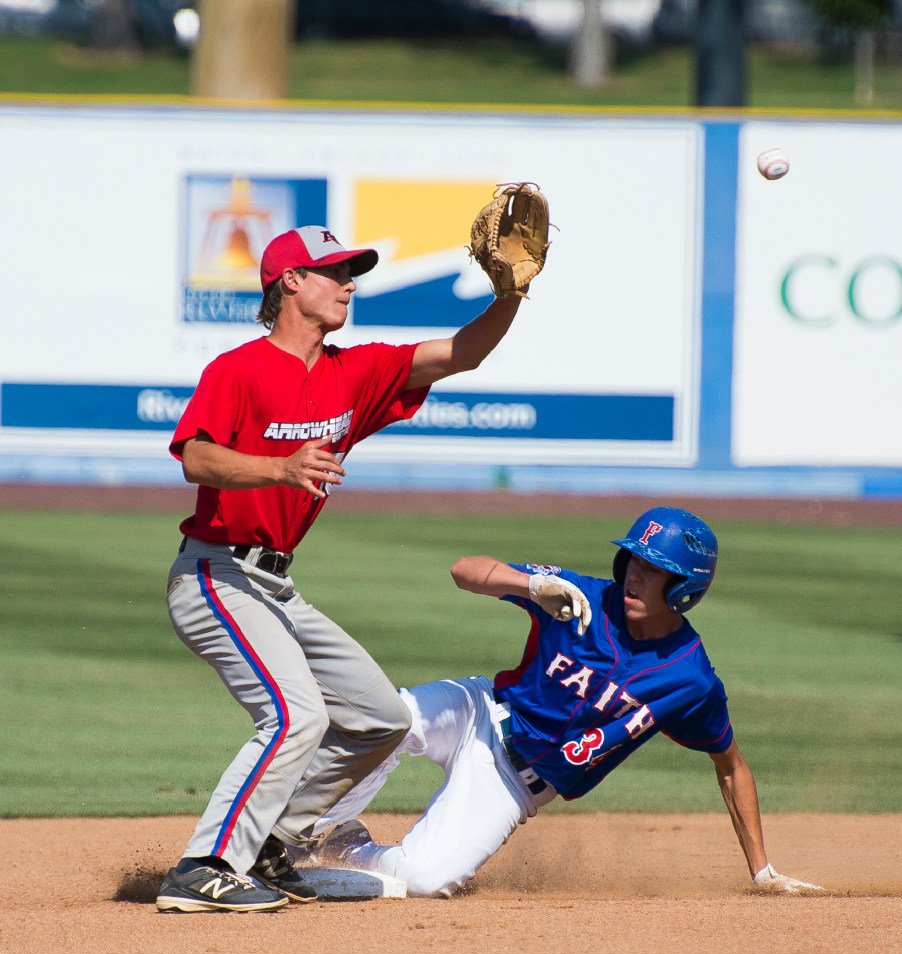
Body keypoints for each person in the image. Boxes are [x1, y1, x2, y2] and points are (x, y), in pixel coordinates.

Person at [156, 224, 529, 912]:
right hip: (215, 577)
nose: (349, 283)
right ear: (290, 282)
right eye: (335, 272)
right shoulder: (238, 370)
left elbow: (461, 353)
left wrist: (512, 294)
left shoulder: (351, 372)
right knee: (294, 714)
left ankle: (271, 841)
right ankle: (203, 867)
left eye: (352, 272)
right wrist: (279, 466)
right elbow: (195, 458)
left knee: (379, 717)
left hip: (274, 585)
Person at [308, 506, 823, 899]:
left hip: (515, 782)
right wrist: (531, 585)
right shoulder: (579, 595)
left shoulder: (690, 680)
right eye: (633, 561)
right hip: (481, 710)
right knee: (391, 719)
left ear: (685, 589)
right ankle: (302, 829)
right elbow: (465, 569)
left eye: (653, 569)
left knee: (423, 880)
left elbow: (731, 766)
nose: (635, 576)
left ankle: (346, 847)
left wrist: (762, 870)